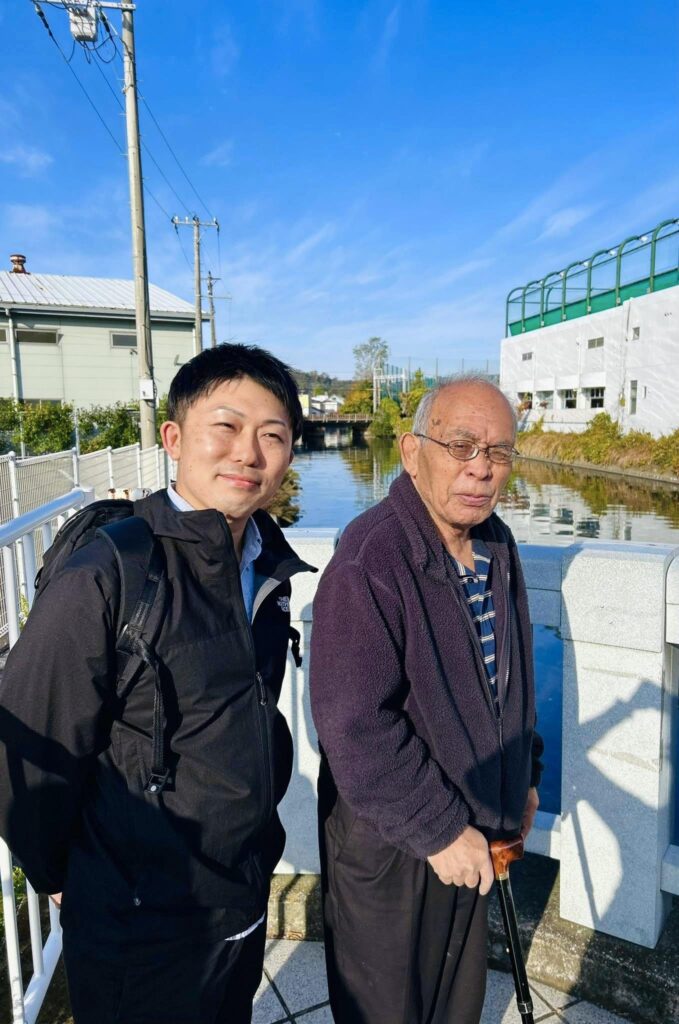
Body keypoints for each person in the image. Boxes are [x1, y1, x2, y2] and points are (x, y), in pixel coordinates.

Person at [0, 343, 314, 1024]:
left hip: (237, 892)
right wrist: (63, 878)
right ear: (173, 439)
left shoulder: (266, 564)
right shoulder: (108, 574)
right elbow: (30, 753)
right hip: (135, 921)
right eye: (225, 427)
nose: (248, 453)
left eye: (272, 435)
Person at [309, 376, 544, 1024]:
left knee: (455, 1003)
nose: (481, 468)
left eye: (499, 451)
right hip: (395, 840)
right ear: (412, 453)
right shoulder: (371, 559)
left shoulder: (495, 542)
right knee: (387, 1008)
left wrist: (523, 776)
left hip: (474, 828)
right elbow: (351, 723)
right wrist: (438, 829)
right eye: (460, 445)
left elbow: (510, 680)